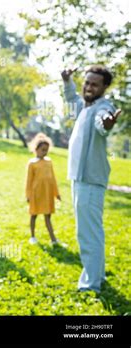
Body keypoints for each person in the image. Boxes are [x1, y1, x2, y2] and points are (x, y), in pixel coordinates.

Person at [62, 65, 121, 293]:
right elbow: (71, 97)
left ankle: (90, 285)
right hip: (79, 178)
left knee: (87, 233)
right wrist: (68, 81)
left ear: (104, 87)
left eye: (94, 84)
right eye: (87, 82)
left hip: (90, 179)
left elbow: (102, 122)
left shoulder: (102, 107)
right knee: (91, 230)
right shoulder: (84, 106)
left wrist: (107, 123)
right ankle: (98, 276)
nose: (89, 87)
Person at [25, 133, 61, 245]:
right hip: (36, 194)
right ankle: (32, 236)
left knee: (48, 216)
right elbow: (28, 181)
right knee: (34, 215)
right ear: (36, 149)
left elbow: (53, 179)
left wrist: (56, 193)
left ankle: (53, 239)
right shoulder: (32, 164)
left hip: (47, 194)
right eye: (42, 150)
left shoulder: (49, 162)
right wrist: (28, 195)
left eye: (46, 150)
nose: (44, 152)